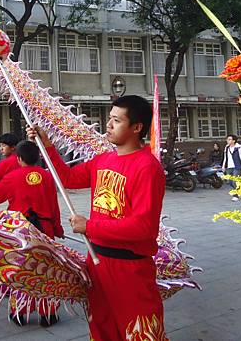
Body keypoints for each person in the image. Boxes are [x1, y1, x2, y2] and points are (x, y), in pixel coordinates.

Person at [28, 95, 167, 341]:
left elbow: (144, 227)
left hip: (130, 269)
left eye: (117, 120)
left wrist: (90, 226)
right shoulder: (104, 160)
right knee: (101, 330)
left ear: (137, 127)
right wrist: (47, 146)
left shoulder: (147, 167)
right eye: (110, 119)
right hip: (97, 262)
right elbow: (68, 179)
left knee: (141, 333)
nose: (109, 125)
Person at [0, 140, 63, 327]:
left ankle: (20, 312)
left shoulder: (13, 176)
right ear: (37, 158)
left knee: (20, 270)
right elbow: (54, 206)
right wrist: (58, 228)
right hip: (45, 230)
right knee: (45, 271)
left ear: (19, 159)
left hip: (21, 230)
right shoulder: (47, 177)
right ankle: (49, 314)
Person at [222, 135, 241, 202]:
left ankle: (235, 196)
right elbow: (225, 157)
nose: (228, 140)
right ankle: (240, 190)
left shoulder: (239, 148)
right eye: (227, 139)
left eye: (229, 139)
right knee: (230, 182)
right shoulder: (227, 148)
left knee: (234, 182)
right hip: (229, 167)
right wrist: (223, 166)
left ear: (234, 141)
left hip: (237, 167)